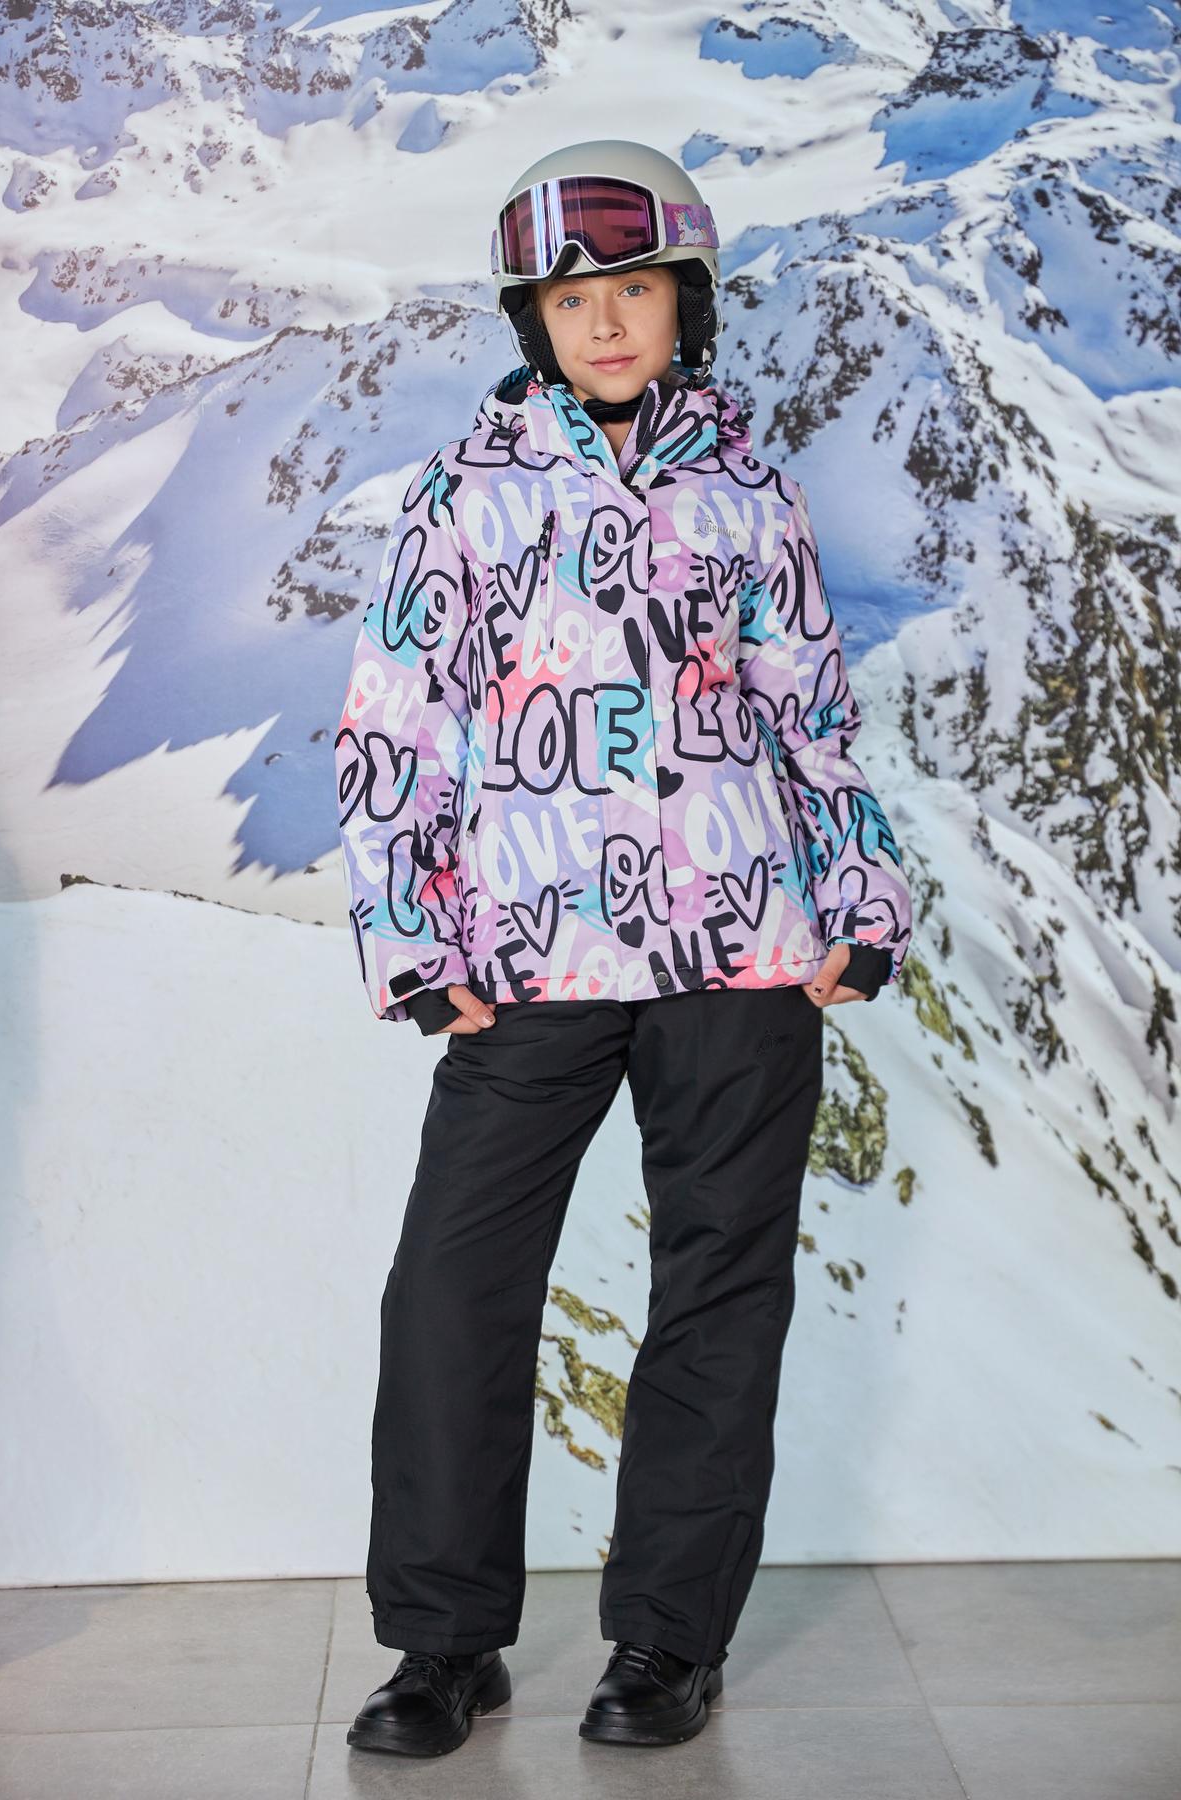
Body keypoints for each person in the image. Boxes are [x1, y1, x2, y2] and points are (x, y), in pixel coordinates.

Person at [334, 139, 913, 1757]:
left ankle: (667, 1642)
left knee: (720, 1287)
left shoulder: (750, 491)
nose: (605, 322)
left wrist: (863, 901)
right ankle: (443, 1645)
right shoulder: (465, 494)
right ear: (531, 315)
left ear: (686, 305)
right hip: (531, 957)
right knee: (454, 1287)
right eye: (572, 296)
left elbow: (810, 716)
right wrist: (410, 934)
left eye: (637, 291)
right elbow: (397, 722)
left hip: (741, 952)